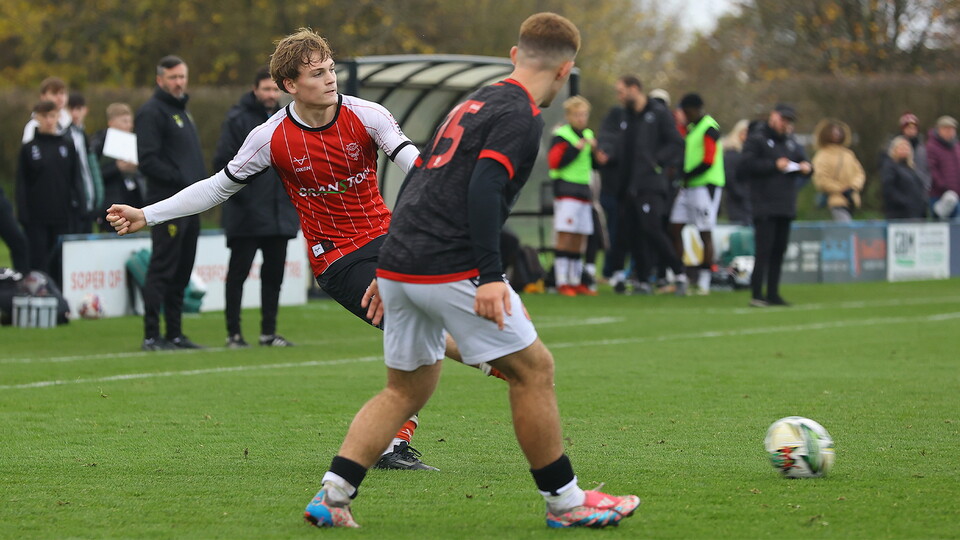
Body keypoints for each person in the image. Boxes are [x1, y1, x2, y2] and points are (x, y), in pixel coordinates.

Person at [107, 29, 503, 472]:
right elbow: (218, 187)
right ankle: (504, 364)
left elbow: (414, 163)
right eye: (318, 73)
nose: (331, 79)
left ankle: (394, 443)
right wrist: (147, 214)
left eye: (331, 68)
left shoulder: (368, 115)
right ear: (290, 85)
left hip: (390, 242)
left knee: (422, 335)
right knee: (420, 329)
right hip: (336, 257)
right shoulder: (270, 136)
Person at [301, 13, 640, 529]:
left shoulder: (474, 100)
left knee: (405, 390)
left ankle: (332, 496)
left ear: (513, 56)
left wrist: (390, 264)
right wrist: (491, 275)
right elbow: (483, 188)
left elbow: (422, 178)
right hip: (446, 263)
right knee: (534, 370)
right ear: (565, 69)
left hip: (399, 260)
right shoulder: (521, 115)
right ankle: (567, 504)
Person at [212, 68, 300, 348]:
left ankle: (268, 333)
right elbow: (223, 163)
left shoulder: (289, 120)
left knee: (273, 278)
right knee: (238, 275)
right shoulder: (238, 120)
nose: (271, 95)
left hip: (278, 215)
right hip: (246, 216)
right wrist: (246, 202)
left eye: (275, 90)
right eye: (266, 89)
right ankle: (233, 334)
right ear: (254, 90)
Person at [135, 55, 207, 351]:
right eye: (173, 77)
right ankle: (152, 335)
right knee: (162, 267)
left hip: (190, 205)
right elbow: (148, 160)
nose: (179, 82)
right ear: (160, 80)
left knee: (182, 269)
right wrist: (181, 180)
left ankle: (175, 333)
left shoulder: (182, 111)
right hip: (167, 205)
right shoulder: (152, 112)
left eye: (182, 76)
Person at [605, 75, 686, 295]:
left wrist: (657, 162)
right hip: (628, 185)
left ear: (634, 89)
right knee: (633, 232)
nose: (619, 96)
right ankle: (642, 280)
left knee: (652, 229)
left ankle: (679, 273)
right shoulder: (626, 117)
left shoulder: (658, 114)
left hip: (650, 183)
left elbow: (676, 143)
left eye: (621, 91)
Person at [739, 104, 811, 307]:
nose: (785, 124)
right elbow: (746, 166)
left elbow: (803, 161)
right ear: (773, 116)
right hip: (764, 203)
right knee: (764, 250)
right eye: (783, 119)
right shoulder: (757, 139)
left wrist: (807, 168)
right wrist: (773, 165)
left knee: (779, 250)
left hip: (785, 204)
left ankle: (773, 292)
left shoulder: (791, 142)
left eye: (789, 121)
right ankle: (756, 293)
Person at [15, 100, 80, 287]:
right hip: (37, 218)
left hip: (62, 215)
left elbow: (75, 180)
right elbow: (22, 184)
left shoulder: (67, 146)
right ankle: (40, 300)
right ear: (37, 118)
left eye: (52, 116)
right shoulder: (29, 148)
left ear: (58, 117)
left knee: (59, 262)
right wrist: (23, 213)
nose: (49, 120)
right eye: (44, 116)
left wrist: (78, 206)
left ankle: (60, 303)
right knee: (38, 263)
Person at [547, 95, 603, 296]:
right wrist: (576, 148)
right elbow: (555, 163)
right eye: (577, 115)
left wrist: (597, 154)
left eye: (584, 115)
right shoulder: (561, 135)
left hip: (584, 192)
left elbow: (594, 165)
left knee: (580, 237)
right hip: (566, 191)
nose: (581, 118)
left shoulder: (588, 134)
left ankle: (575, 279)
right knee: (565, 235)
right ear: (569, 116)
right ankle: (561, 281)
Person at [669, 93, 724, 296]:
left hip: (704, 185)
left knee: (704, 232)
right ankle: (680, 276)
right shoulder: (690, 130)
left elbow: (708, 159)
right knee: (674, 227)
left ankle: (704, 280)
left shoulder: (709, 127)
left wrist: (687, 174)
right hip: (689, 185)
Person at [91, 103, 145, 232]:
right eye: (124, 121)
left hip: (132, 200)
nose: (129, 125)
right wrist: (116, 167)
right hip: (109, 205)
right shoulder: (98, 143)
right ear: (111, 122)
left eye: (130, 121)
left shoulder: (134, 142)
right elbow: (94, 175)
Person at [811, 119, 865, 222]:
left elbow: (859, 173)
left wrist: (853, 187)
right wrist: (841, 189)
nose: (836, 134)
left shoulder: (848, 154)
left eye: (838, 131)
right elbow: (821, 179)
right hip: (834, 201)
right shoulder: (822, 155)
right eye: (833, 132)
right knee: (845, 229)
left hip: (851, 200)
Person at [66, 91, 101, 233]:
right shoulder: (66, 135)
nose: (75, 114)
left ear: (85, 111)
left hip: (89, 201)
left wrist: (97, 196)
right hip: (74, 203)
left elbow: (91, 169)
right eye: (71, 109)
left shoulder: (84, 135)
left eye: (78, 109)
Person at [881, 136, 928, 220]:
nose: (904, 150)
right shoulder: (890, 166)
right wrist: (904, 202)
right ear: (894, 150)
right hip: (899, 214)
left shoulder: (912, 168)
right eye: (901, 147)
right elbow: (888, 189)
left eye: (906, 147)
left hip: (916, 213)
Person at [926, 115, 960, 220]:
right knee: (941, 229)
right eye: (946, 129)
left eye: (952, 129)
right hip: (939, 196)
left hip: (957, 195)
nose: (949, 132)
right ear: (939, 130)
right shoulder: (931, 147)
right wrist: (944, 187)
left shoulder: (956, 147)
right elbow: (931, 170)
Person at [22, 77, 71, 144]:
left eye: (62, 93)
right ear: (43, 97)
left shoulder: (70, 123)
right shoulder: (34, 126)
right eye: (54, 93)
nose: (60, 98)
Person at [721, 119, 751, 225]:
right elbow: (729, 178)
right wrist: (742, 194)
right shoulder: (732, 153)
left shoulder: (747, 153)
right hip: (737, 202)